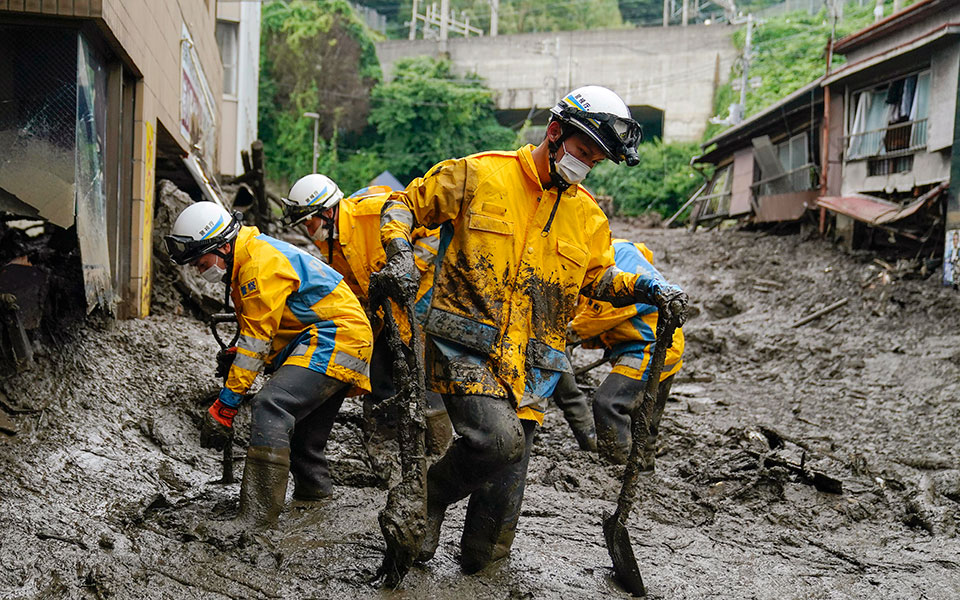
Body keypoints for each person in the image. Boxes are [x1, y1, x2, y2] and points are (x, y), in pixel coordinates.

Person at [376, 85, 688, 573]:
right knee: (498, 441)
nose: (587, 164)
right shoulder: (480, 173)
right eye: (583, 151)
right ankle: (429, 496)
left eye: (597, 159)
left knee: (500, 510)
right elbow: (402, 206)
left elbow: (599, 279)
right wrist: (398, 257)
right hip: (465, 346)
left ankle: (480, 566)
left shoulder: (588, 216)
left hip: (534, 365)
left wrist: (651, 290)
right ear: (555, 132)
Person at [163, 202, 373, 528]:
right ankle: (315, 505)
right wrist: (241, 355)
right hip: (337, 338)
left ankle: (256, 518)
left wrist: (225, 406)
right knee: (303, 440)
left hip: (336, 339)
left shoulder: (258, 266)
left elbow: (256, 342)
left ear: (224, 246)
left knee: (271, 406)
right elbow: (272, 328)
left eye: (202, 262)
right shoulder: (253, 257)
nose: (200, 271)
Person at [279, 175, 452, 454]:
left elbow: (433, 235)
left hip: (424, 294)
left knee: (422, 372)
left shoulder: (375, 212)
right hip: (385, 305)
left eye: (308, 221)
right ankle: (385, 447)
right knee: (380, 369)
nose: (306, 229)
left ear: (327, 211)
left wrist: (409, 267)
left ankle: (439, 450)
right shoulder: (331, 242)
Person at [562, 238, 685, 466]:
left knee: (609, 402)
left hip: (650, 347)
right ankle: (643, 472)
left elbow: (600, 315)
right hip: (660, 344)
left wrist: (566, 335)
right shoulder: (620, 248)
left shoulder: (612, 268)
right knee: (644, 420)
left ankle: (614, 469)